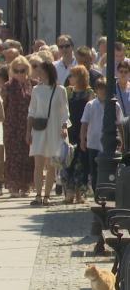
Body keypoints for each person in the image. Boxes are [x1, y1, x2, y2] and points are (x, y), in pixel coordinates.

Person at [27, 61, 69, 207]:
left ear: (48, 71)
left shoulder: (60, 90)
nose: (39, 73)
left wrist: (64, 127)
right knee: (38, 164)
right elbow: (31, 112)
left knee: (52, 165)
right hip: (39, 129)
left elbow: (65, 113)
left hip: (55, 128)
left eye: (41, 71)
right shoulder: (36, 90)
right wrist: (28, 131)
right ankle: (38, 195)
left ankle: (47, 196)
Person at [81, 77, 125, 195]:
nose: (102, 91)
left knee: (112, 168)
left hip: (110, 144)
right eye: (100, 89)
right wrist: (82, 140)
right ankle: (97, 192)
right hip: (93, 142)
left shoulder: (115, 105)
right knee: (94, 170)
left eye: (104, 89)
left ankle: (110, 192)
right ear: (96, 90)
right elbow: (84, 123)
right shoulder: (90, 105)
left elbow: (120, 124)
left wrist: (123, 140)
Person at [3, 56, 35, 197]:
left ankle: (26, 185)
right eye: (16, 70)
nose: (20, 73)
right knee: (13, 156)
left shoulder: (33, 85)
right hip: (12, 126)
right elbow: (2, 106)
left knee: (28, 156)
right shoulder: (7, 86)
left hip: (28, 125)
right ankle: (14, 186)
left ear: (27, 70)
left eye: (22, 70)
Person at [61, 66, 93, 204]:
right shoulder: (68, 92)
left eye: (72, 76)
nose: (70, 78)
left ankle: (80, 193)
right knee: (69, 162)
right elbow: (63, 111)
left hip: (84, 130)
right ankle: (69, 192)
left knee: (82, 163)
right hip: (71, 130)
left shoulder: (89, 92)